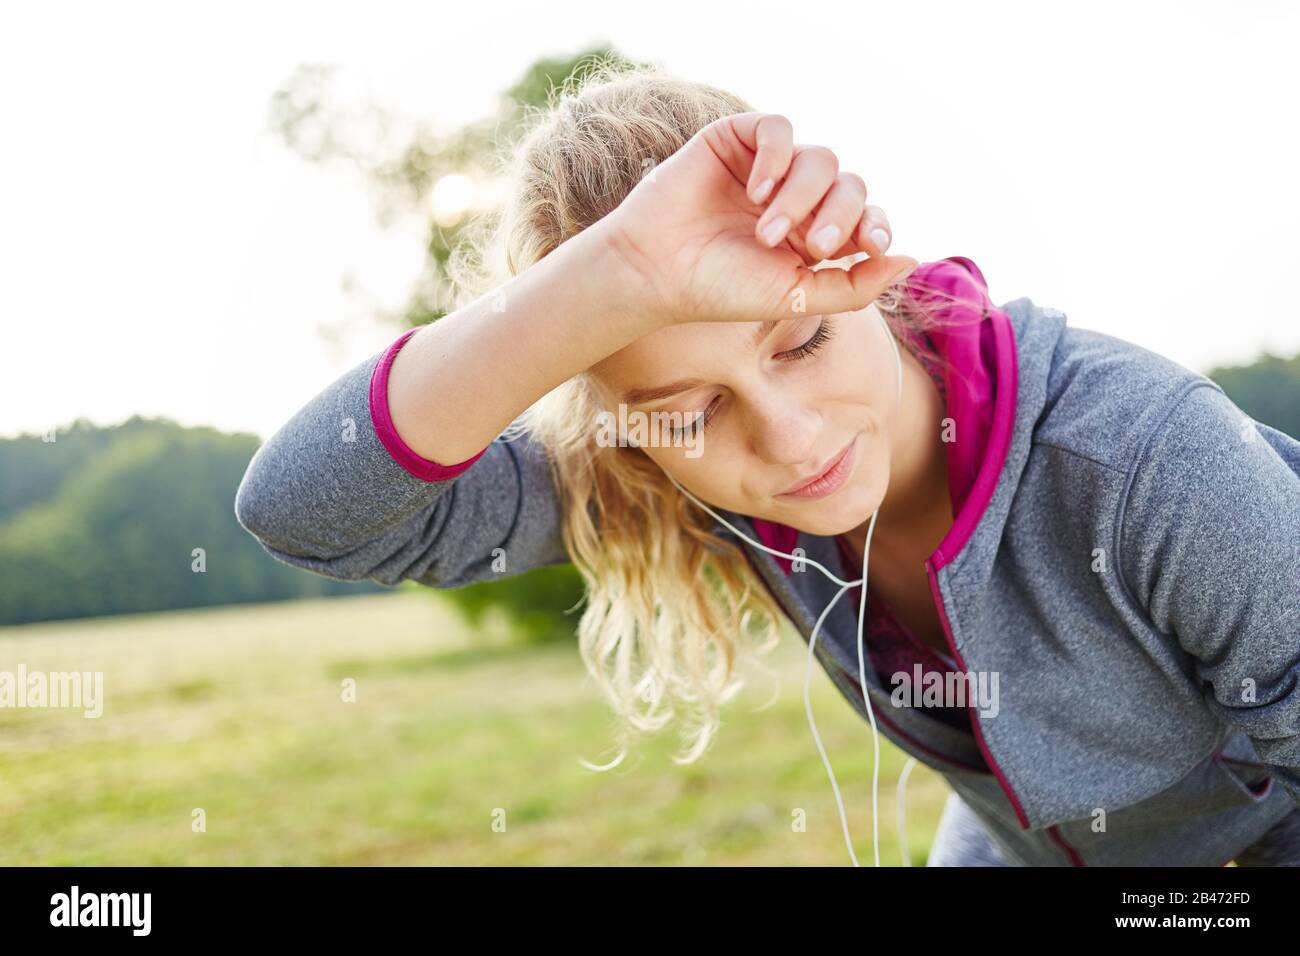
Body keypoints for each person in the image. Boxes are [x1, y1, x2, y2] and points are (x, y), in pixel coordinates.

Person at [234, 64, 1300, 866]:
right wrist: (608, 280)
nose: (788, 439)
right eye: (689, 409)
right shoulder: (655, 465)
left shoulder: (1147, 461)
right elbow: (309, 510)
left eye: (801, 341)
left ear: (862, 284)